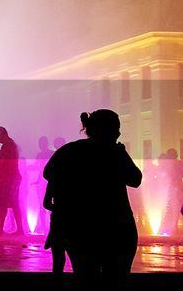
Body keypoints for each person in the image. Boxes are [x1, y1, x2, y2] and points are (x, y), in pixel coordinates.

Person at [43, 110, 143, 280]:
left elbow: (48, 174)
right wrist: (121, 153)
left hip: (79, 228)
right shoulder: (115, 153)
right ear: (107, 130)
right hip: (117, 227)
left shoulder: (69, 149)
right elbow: (135, 179)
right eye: (116, 128)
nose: (119, 133)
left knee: (86, 277)